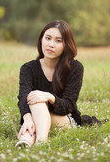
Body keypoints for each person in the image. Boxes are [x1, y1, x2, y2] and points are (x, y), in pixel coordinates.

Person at [16, 20, 103, 148]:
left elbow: (69, 105)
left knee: (37, 98)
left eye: (58, 41)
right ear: (41, 40)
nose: (51, 44)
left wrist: (49, 97)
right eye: (48, 38)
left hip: (64, 119)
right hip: (35, 115)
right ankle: (33, 142)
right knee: (35, 99)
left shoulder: (75, 67)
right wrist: (27, 119)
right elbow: (23, 97)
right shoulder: (28, 68)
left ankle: (33, 140)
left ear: (66, 45)